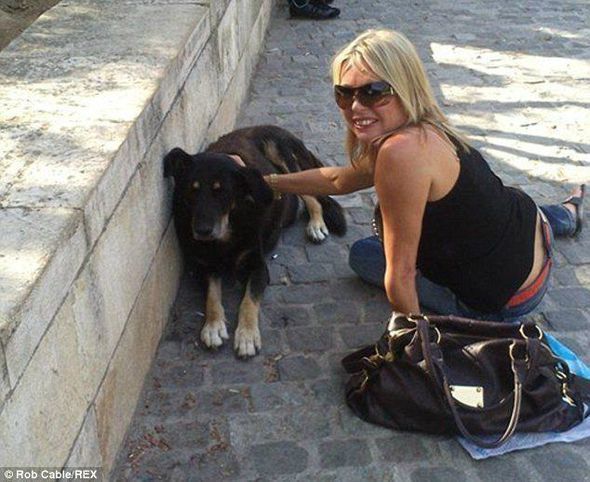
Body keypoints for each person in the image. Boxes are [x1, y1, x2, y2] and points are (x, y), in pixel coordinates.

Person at [264, 29, 586, 322]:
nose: (356, 107)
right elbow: (339, 180)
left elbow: (400, 275)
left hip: (508, 300)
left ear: (405, 88)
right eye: (344, 94)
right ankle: (566, 214)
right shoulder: (424, 123)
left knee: (363, 255)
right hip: (531, 228)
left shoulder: (400, 152)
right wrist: (272, 184)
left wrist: (414, 348)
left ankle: (563, 218)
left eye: (374, 92)